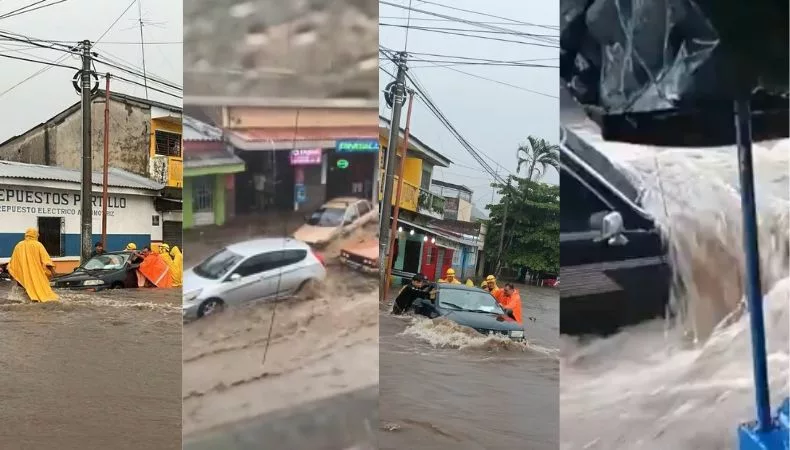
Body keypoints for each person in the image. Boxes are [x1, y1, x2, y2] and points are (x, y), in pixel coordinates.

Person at [7, 228, 58, 302]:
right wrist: (53, 271)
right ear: (35, 235)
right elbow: (46, 260)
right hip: (36, 275)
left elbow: (13, 262)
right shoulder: (38, 245)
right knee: (42, 293)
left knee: (24, 294)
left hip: (23, 275)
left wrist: (12, 274)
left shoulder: (19, 245)